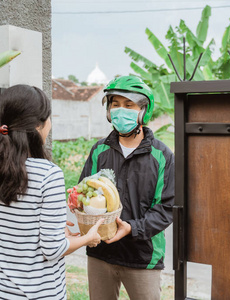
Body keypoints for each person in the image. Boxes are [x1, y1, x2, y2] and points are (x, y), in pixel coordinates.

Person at [0, 84, 103, 300]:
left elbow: (12, 233)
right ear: (38, 125)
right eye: (49, 118)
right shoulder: (49, 174)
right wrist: (88, 238)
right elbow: (52, 249)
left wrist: (55, 230)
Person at [78, 76, 175, 300]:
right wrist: (77, 200)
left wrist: (131, 228)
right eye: (115, 104)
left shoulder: (161, 156)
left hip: (142, 257)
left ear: (143, 110)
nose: (121, 110)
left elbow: (166, 209)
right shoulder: (99, 150)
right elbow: (85, 191)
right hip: (100, 253)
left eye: (129, 105)